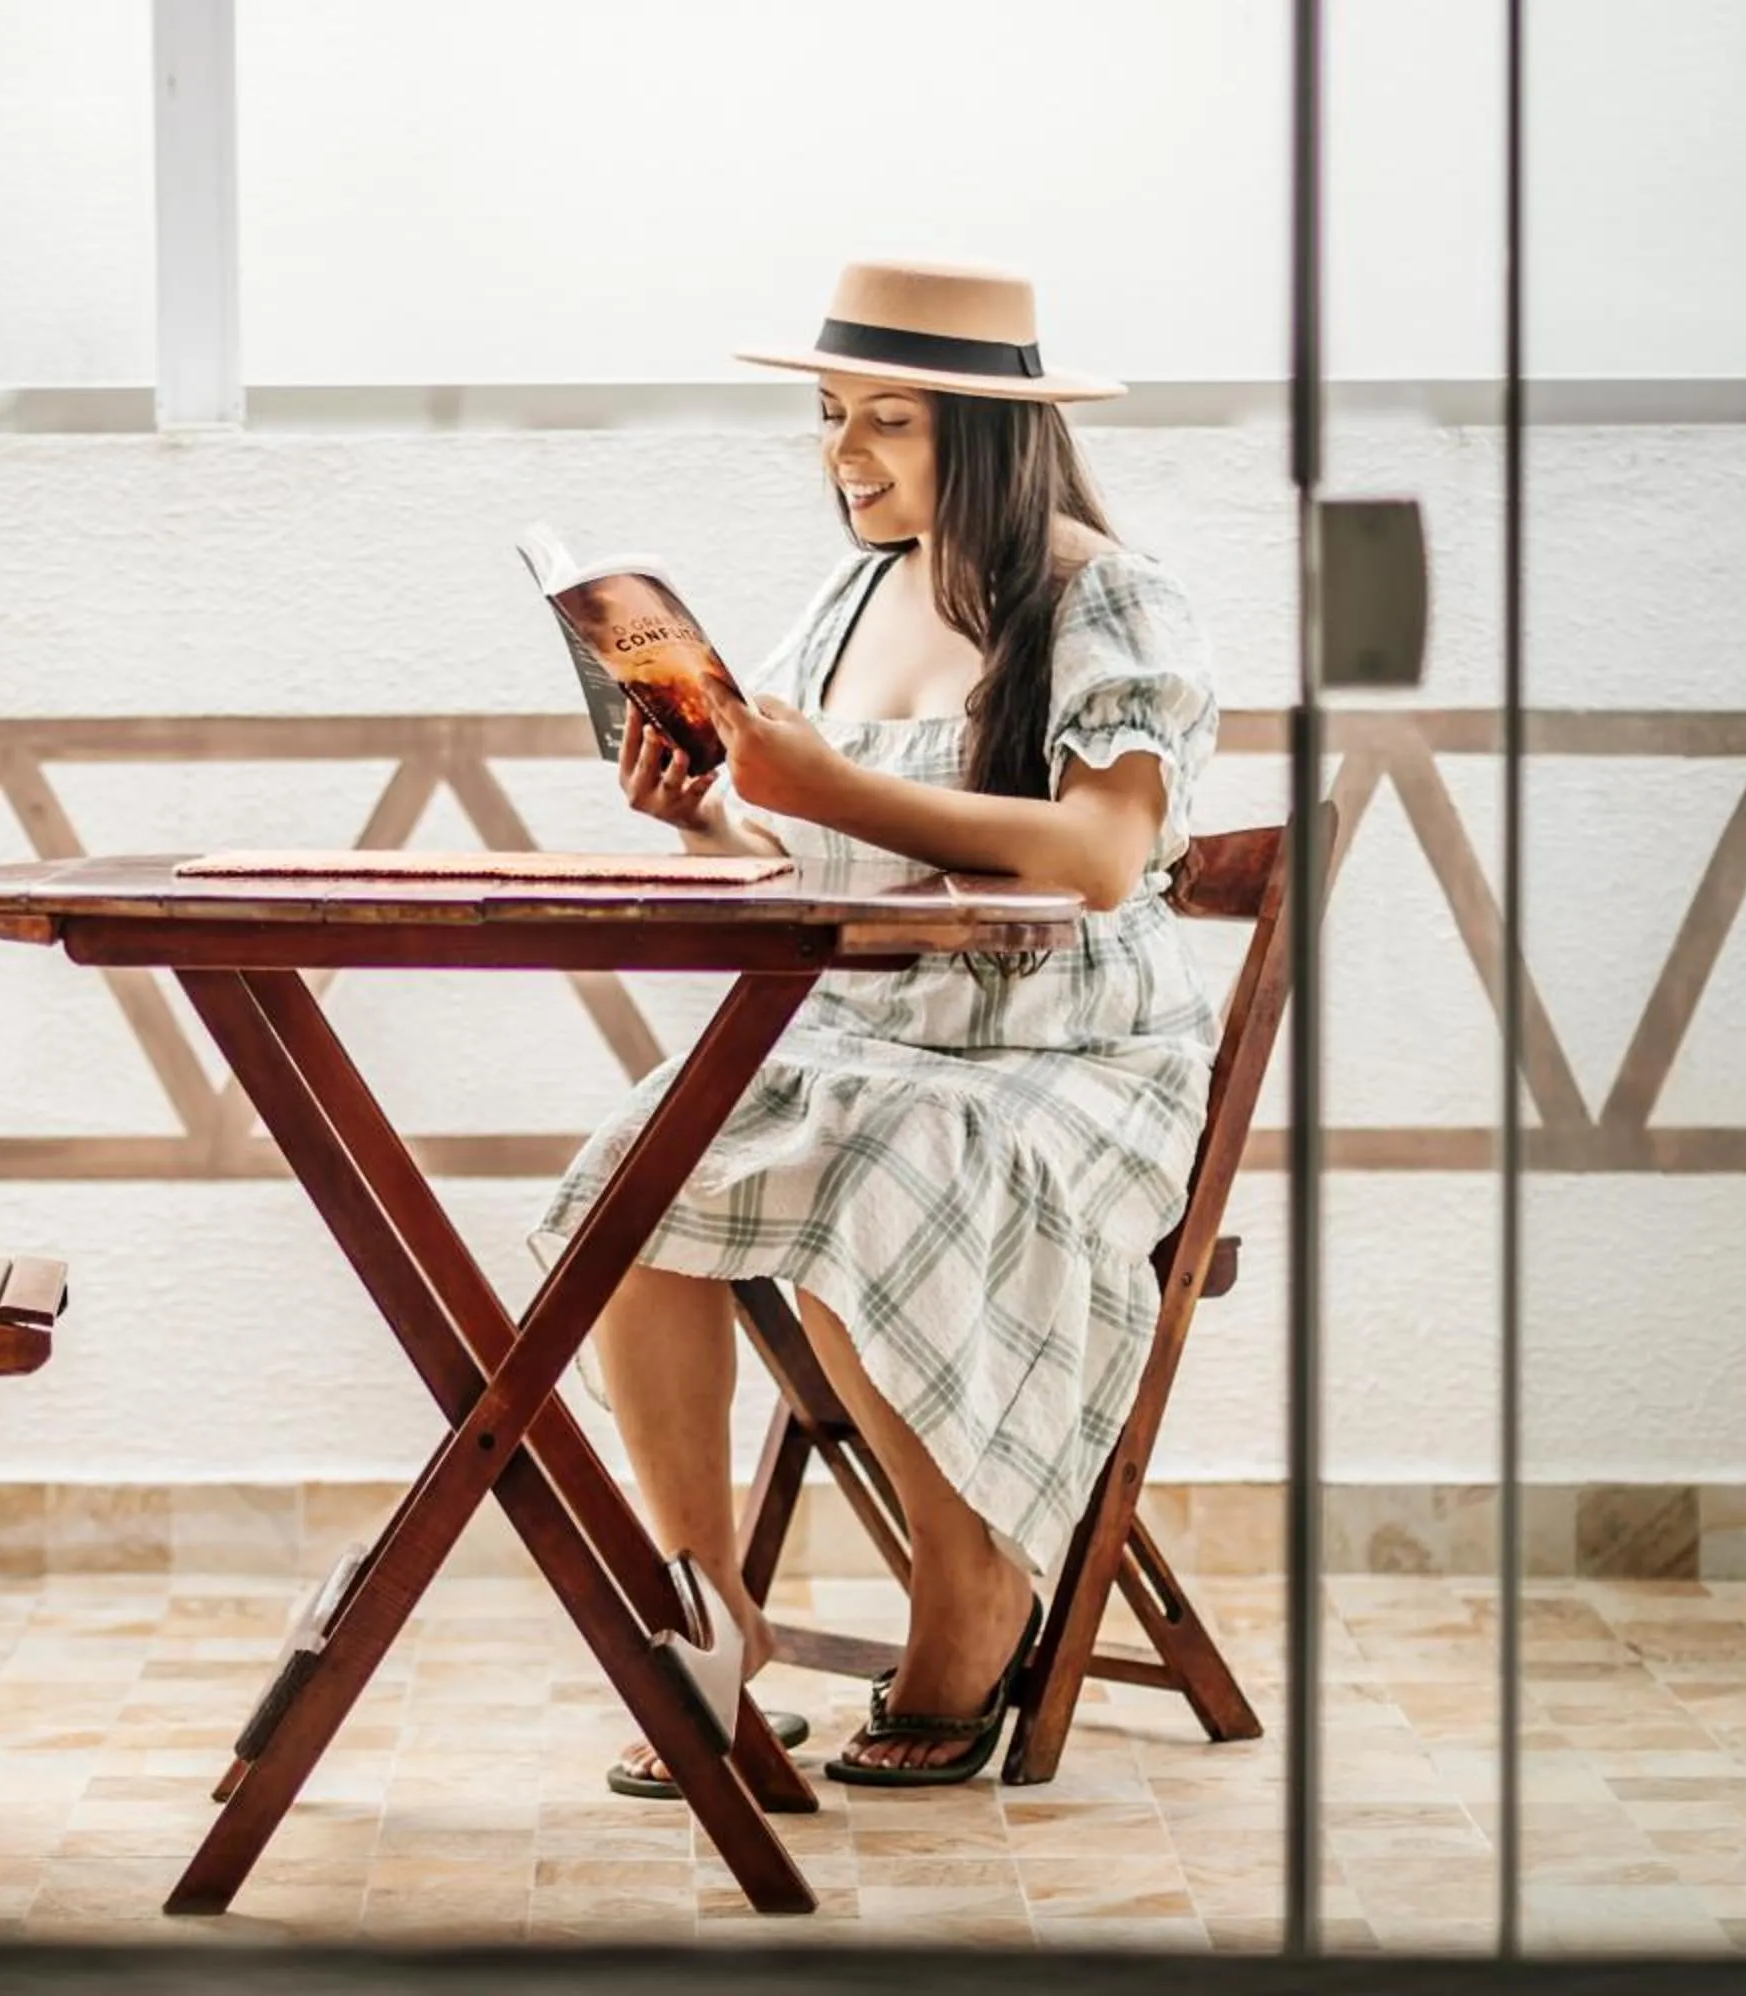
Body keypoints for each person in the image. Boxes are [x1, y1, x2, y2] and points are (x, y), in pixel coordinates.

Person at [530, 259, 1220, 1789]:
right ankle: (708, 1617)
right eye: (833, 415)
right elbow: (809, 859)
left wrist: (830, 788)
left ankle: (970, 1594)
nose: (844, 452)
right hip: (876, 1036)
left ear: (986, 432)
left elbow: (1104, 855)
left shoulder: (1106, 594)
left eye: (885, 421)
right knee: (644, 1188)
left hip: (1070, 1057)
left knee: (867, 1180)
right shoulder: (851, 594)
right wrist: (708, 817)